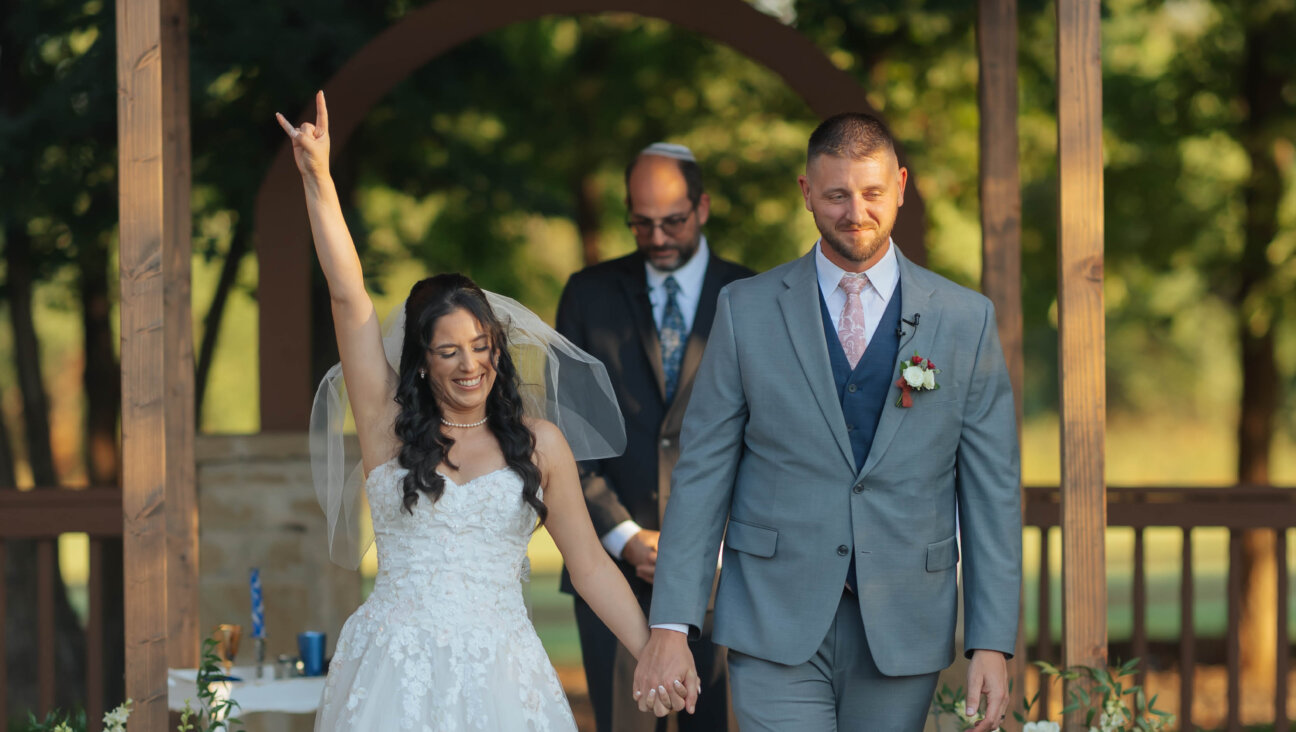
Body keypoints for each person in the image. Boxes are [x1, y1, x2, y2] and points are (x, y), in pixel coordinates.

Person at [276, 92, 696, 731]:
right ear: (421, 362)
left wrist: (653, 654)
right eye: (449, 352)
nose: (470, 365)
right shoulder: (386, 427)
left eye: (481, 346)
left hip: (502, 673)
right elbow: (346, 294)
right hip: (395, 669)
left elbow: (588, 568)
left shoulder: (539, 443)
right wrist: (318, 181)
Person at [634, 112, 1022, 731]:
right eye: (837, 194)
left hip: (904, 625)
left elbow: (991, 494)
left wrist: (992, 643)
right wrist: (672, 624)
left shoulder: (964, 320)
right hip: (772, 619)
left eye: (871, 193)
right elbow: (702, 474)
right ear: (807, 192)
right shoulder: (745, 309)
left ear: (900, 184)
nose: (855, 212)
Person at [555, 143, 752, 732]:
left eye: (673, 221)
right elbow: (569, 437)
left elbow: (769, 441)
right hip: (612, 569)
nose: (659, 237)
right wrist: (624, 536)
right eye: (642, 223)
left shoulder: (753, 296)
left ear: (703, 207)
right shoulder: (587, 294)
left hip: (726, 576)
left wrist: (709, 542)